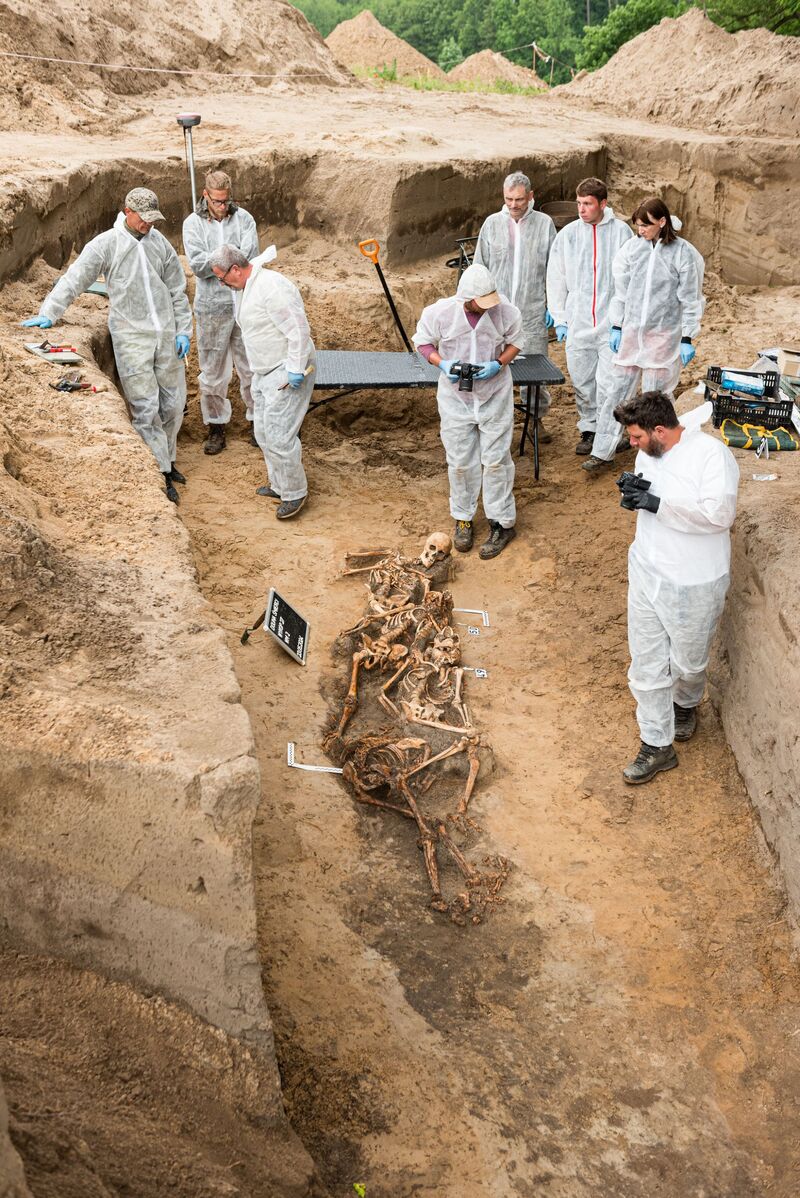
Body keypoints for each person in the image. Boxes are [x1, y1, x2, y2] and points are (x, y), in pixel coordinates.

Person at [22, 187, 191, 504]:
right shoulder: (107, 244)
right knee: (145, 407)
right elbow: (77, 277)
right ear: (128, 211)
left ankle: (168, 462)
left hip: (166, 335)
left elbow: (177, 291)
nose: (149, 225)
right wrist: (49, 312)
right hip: (131, 337)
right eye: (144, 219)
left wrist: (183, 330)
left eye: (153, 219)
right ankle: (158, 472)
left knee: (172, 402)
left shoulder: (159, 244)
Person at [614, 392, 739, 785]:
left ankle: (685, 702)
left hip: (694, 581)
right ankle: (656, 745)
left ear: (660, 430)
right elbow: (649, 495)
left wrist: (656, 504)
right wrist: (635, 494)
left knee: (688, 662)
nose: (631, 444)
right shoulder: (647, 452)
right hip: (647, 569)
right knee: (647, 663)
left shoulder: (712, 457)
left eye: (635, 437)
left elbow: (719, 515)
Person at [582, 196, 705, 477]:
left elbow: (690, 300)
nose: (641, 231)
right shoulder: (632, 250)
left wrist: (687, 337)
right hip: (631, 333)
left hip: (663, 336)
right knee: (617, 391)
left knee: (656, 398)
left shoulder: (683, 254)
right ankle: (603, 451)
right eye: (637, 225)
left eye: (646, 226)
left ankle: (661, 455)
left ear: (662, 222)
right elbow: (621, 292)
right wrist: (617, 325)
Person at [413, 263, 523, 560]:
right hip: (455, 398)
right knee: (460, 460)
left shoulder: (506, 312)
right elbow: (422, 342)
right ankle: (463, 516)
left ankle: (502, 522)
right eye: (480, 303)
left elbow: (515, 342)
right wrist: (442, 363)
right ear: (465, 298)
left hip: (494, 393)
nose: (487, 308)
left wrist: (498, 363)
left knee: (497, 459)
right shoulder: (439, 313)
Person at [209, 243, 314, 520]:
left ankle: (295, 492)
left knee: (280, 436)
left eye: (221, 278)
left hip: (285, 368)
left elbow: (298, 331)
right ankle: (279, 484)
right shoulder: (245, 288)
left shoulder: (271, 287)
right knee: (264, 432)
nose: (222, 284)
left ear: (235, 269)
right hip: (263, 370)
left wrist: (294, 368)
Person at [546, 177, 633, 457]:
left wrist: (623, 322)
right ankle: (590, 429)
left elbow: (631, 277)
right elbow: (556, 277)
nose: (581, 209)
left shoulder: (621, 233)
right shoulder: (568, 235)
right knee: (583, 382)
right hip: (578, 322)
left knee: (609, 384)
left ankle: (612, 434)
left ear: (603, 204)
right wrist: (560, 317)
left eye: (587, 204)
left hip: (610, 325)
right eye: (579, 203)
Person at [473, 171, 556, 443]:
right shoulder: (492, 224)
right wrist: (477, 303)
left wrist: (553, 304)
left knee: (535, 371)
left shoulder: (544, 225)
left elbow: (554, 270)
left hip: (532, 310)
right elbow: (479, 267)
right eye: (509, 199)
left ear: (531, 197)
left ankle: (536, 419)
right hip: (497, 311)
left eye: (519, 199)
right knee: (493, 365)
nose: (514, 204)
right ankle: (494, 419)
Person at [183, 170, 259, 456]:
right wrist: (230, 257)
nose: (222, 206)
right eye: (217, 201)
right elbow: (198, 265)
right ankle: (216, 425)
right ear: (206, 195)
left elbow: (249, 259)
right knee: (213, 370)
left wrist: (219, 260)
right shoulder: (193, 224)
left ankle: (256, 421)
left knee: (251, 365)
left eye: (226, 201)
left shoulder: (244, 219)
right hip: (211, 307)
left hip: (243, 301)